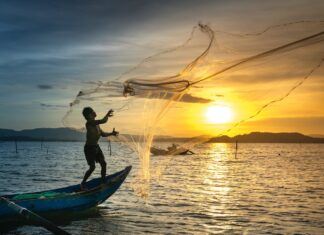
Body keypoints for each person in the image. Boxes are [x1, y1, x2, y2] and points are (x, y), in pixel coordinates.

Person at [80, 107, 118, 190]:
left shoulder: (96, 124)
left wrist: (112, 133)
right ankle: (82, 183)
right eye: (93, 111)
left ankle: (103, 181)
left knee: (103, 164)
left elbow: (103, 134)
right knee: (92, 167)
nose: (95, 112)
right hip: (89, 148)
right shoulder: (89, 123)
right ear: (89, 115)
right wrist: (107, 114)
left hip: (96, 147)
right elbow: (103, 120)